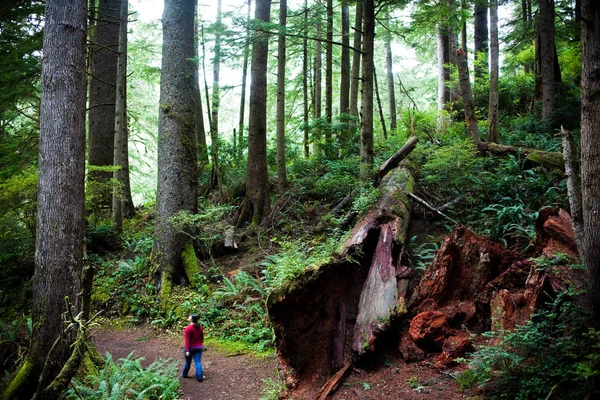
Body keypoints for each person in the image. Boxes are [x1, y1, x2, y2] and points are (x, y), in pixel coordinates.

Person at [181, 313, 204, 382]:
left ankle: (184, 374)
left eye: (189, 317)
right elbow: (202, 338)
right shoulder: (200, 327)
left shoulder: (188, 329)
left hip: (191, 348)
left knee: (188, 362)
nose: (188, 317)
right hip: (199, 347)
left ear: (191, 319)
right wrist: (200, 344)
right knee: (197, 362)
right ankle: (199, 377)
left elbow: (187, 340)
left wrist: (187, 350)